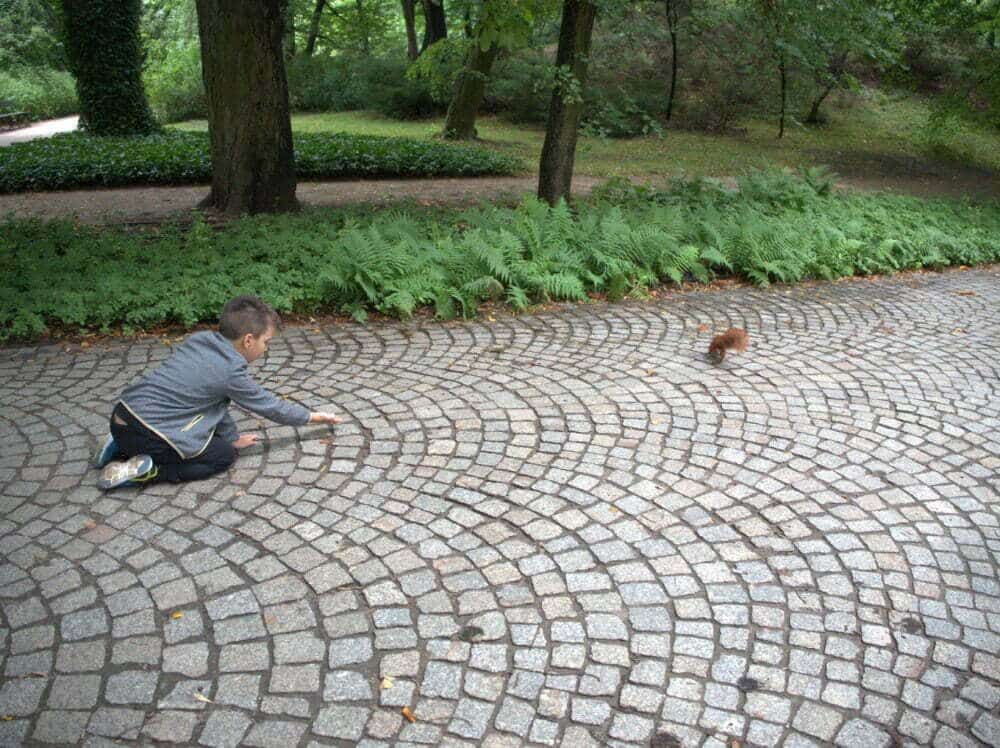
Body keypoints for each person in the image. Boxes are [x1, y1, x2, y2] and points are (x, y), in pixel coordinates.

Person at [94, 295, 341, 490]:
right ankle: (150, 472)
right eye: (266, 342)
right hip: (148, 432)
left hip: (122, 415)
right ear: (247, 341)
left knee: (216, 438)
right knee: (221, 456)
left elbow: (214, 402)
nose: (266, 349)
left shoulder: (201, 340)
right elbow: (270, 406)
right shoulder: (230, 371)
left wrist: (231, 435)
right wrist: (312, 417)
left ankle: (118, 446)